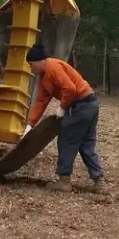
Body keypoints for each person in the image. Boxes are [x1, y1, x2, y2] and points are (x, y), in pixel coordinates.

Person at [24, 43, 104, 192]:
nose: (31, 68)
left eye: (31, 64)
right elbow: (40, 102)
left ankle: (64, 180)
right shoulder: (43, 78)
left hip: (80, 106)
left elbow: (70, 88)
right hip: (91, 104)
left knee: (67, 140)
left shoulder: (52, 66)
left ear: (39, 61)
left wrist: (62, 107)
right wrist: (30, 125)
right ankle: (99, 180)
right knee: (86, 144)